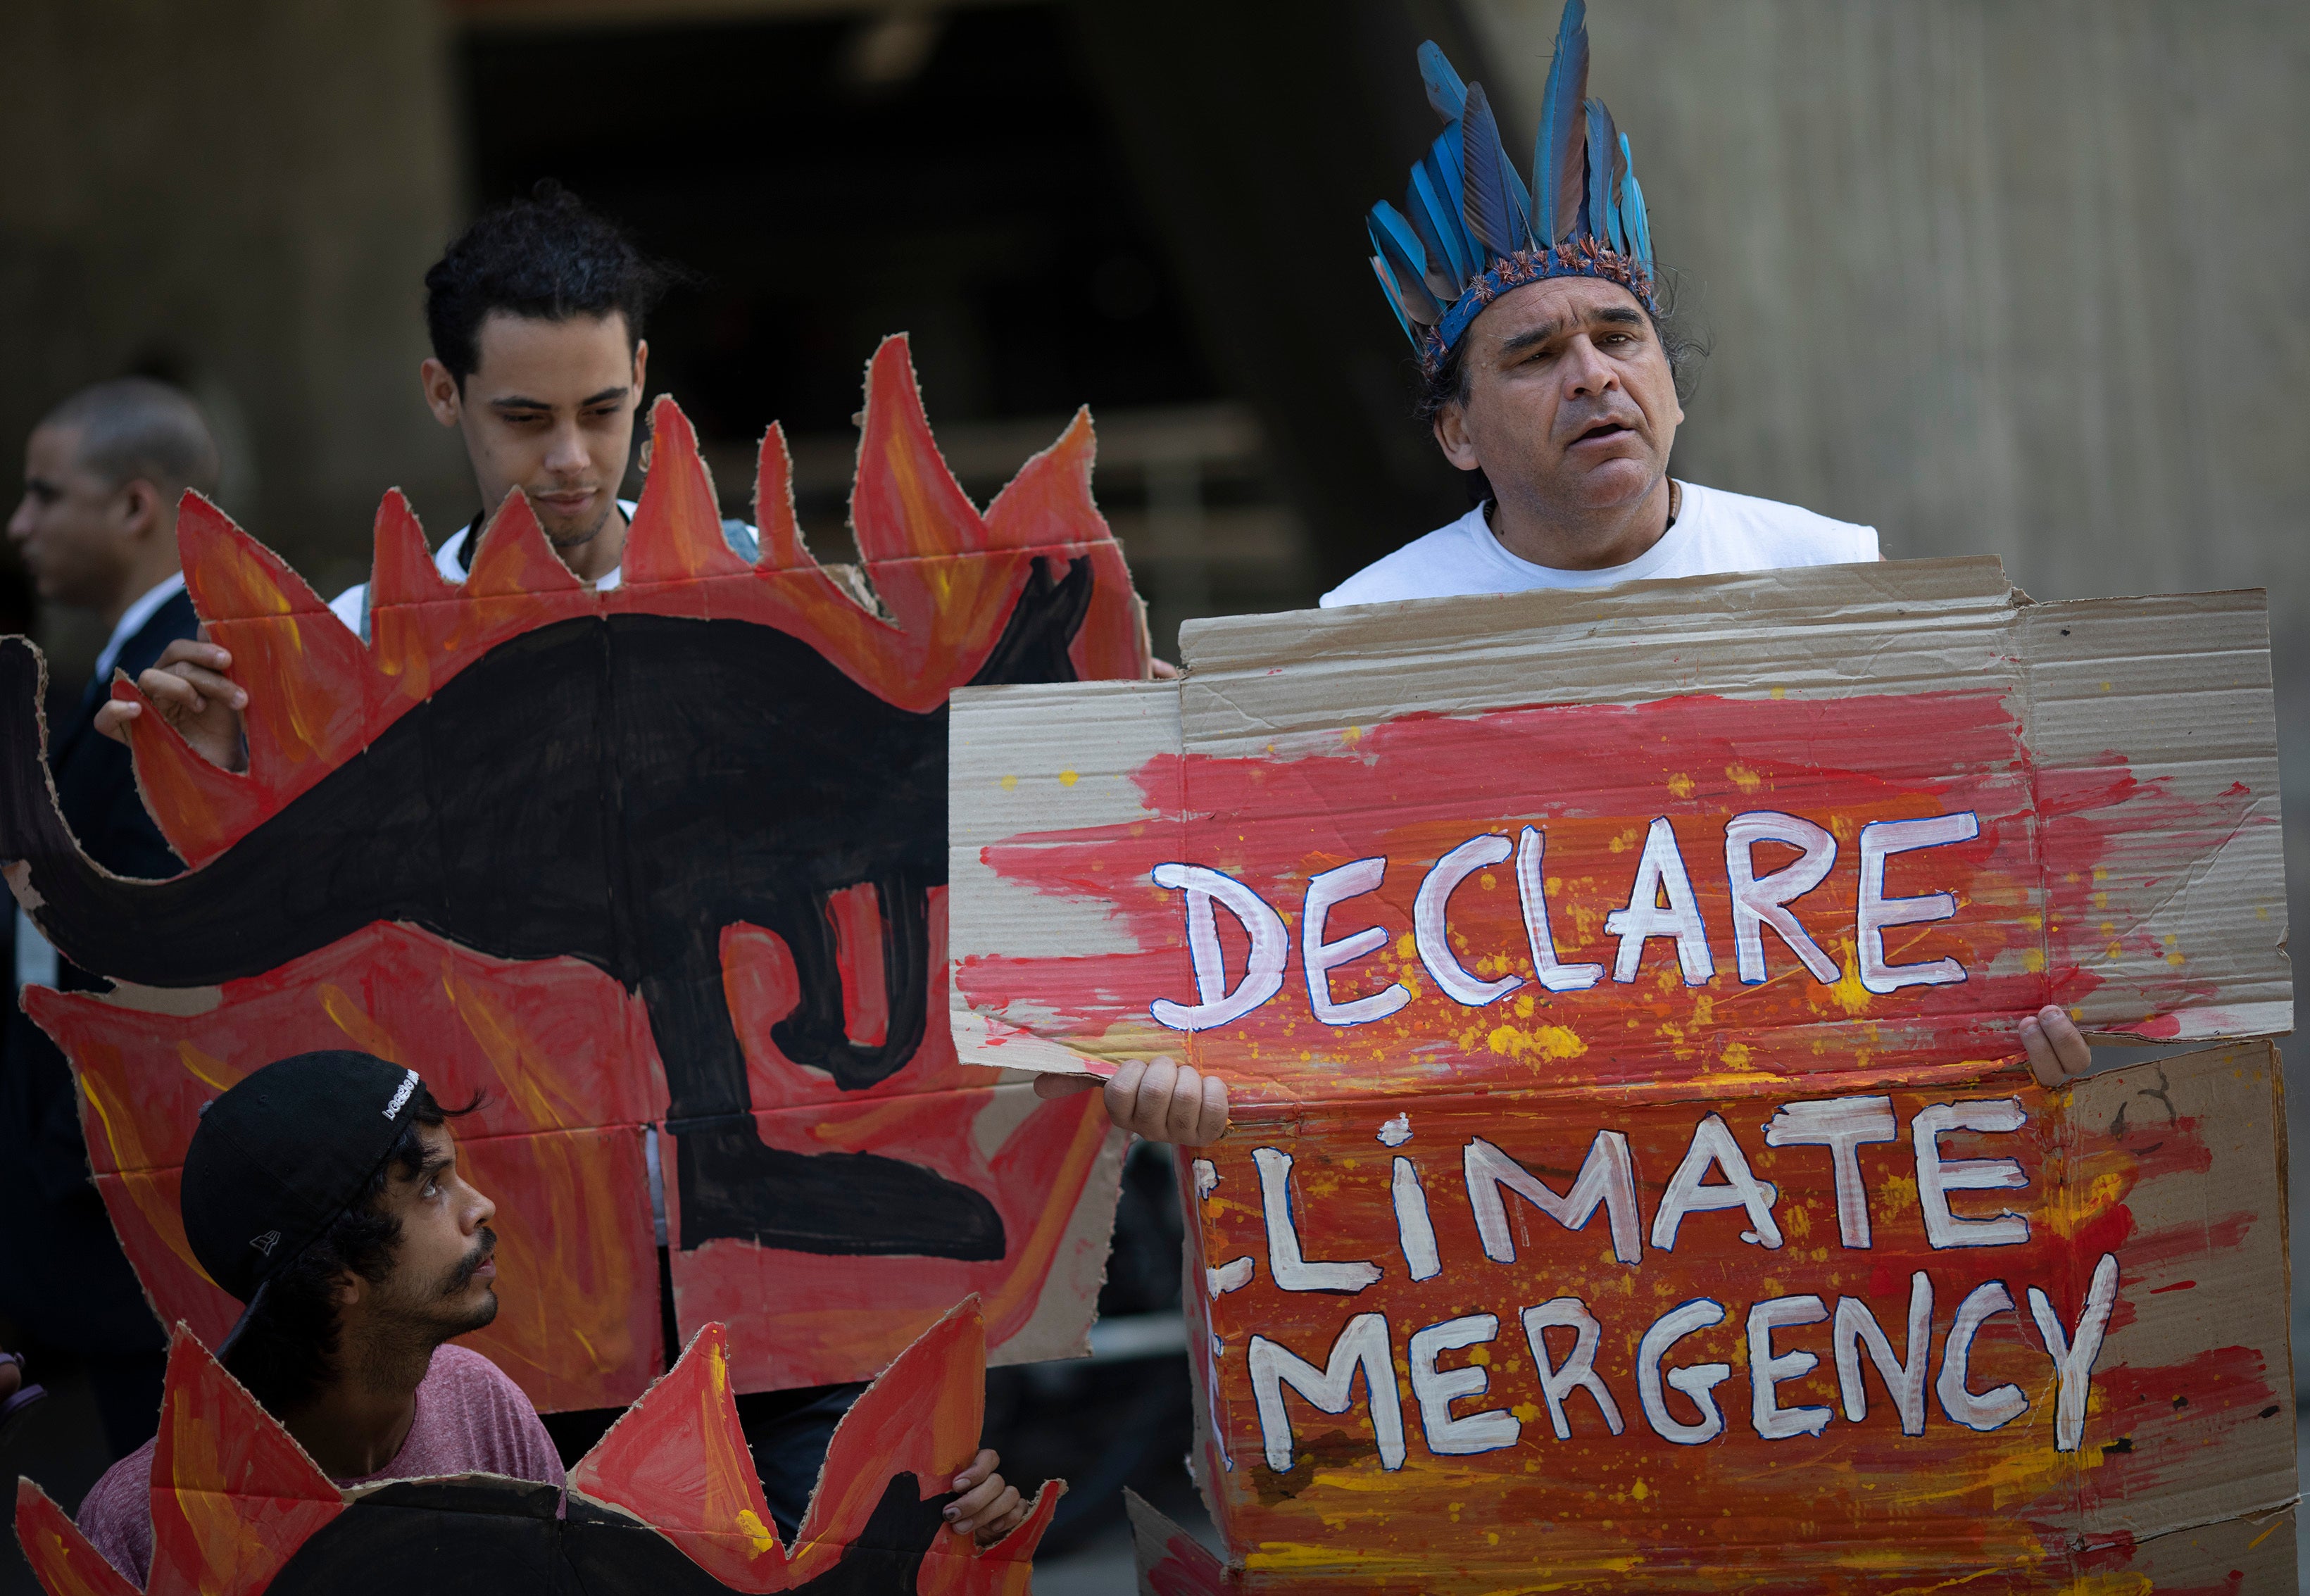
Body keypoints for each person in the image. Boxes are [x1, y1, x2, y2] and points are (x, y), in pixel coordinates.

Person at [89, 184, 1224, 1535]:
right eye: (523, 419)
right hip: (522, 1318)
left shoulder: (784, 605)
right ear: (444, 397)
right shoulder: (350, 659)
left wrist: (1105, 740)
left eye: (600, 414)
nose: (570, 460)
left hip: (802, 1309)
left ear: (643, 380)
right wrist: (211, 763)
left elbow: (981, 840)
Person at [1333, 4, 2090, 1089]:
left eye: (1619, 337)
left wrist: (2017, 1014)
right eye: (1536, 354)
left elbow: (1933, 878)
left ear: (1671, 388)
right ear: (1457, 431)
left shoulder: (1826, 572)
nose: (1593, 375)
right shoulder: (1364, 633)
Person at [72, 1050, 1031, 1585]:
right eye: (434, 1187)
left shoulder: (481, 1405)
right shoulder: (137, 1522)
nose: (483, 1209)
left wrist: (930, 1534)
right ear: (337, 1272)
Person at [1, 376, 218, 1457]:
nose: (20, 525)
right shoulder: (131, 665)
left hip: (133, 1225)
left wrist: (65, 1157)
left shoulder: (182, 679)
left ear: (136, 506)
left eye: (46, 495)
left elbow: (151, 956)